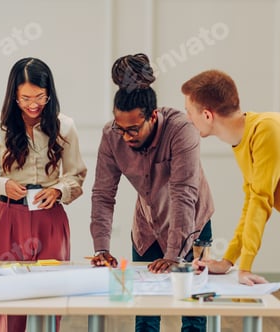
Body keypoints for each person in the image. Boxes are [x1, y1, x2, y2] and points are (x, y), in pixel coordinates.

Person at [181, 69, 280, 331]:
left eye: (189, 111)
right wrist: (228, 261)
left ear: (207, 115)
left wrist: (245, 267)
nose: (187, 118)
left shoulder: (267, 130)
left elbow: (262, 201)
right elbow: (252, 201)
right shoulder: (244, 141)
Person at [90, 53, 215, 332]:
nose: (126, 136)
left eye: (133, 129)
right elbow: (103, 195)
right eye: (120, 129)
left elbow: (184, 194)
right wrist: (101, 248)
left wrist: (173, 256)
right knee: (145, 310)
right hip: (148, 227)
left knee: (192, 306)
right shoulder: (112, 135)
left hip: (192, 224)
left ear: (153, 116)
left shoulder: (182, 130)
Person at [0, 57, 87, 332]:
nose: (33, 104)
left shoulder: (64, 126)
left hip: (50, 218)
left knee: (50, 296)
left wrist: (59, 190)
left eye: (40, 97)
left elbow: (77, 175)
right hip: (9, 216)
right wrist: (3, 184)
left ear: (50, 94)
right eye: (25, 98)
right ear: (14, 95)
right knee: (8, 296)